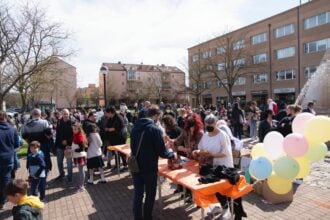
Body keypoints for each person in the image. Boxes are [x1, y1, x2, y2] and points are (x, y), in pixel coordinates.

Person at [130, 105, 174, 220]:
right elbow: (162, 152)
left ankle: (137, 217)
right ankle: (147, 217)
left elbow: (132, 146)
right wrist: (172, 154)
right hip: (149, 168)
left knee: (138, 194)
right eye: (159, 117)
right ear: (155, 116)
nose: (158, 119)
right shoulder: (154, 129)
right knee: (150, 194)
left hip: (135, 166)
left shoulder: (135, 127)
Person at [193, 114, 234, 219]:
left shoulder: (222, 135)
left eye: (211, 124)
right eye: (207, 124)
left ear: (216, 124)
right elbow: (201, 147)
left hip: (223, 166)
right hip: (211, 166)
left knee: (221, 189)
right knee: (212, 188)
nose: (209, 126)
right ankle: (218, 206)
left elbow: (226, 153)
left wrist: (211, 155)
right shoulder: (206, 135)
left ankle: (226, 210)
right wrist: (197, 152)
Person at [0, 111, 20, 209]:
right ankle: (2, 201)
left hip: (6, 158)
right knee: (5, 180)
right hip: (8, 158)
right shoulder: (13, 130)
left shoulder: (12, 130)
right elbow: (17, 145)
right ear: (5, 117)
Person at [55, 109, 75, 182]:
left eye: (67, 114)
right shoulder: (59, 122)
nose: (65, 115)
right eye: (64, 114)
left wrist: (67, 141)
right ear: (61, 114)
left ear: (69, 114)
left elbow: (74, 134)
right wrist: (57, 144)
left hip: (69, 146)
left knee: (69, 163)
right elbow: (57, 134)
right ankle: (61, 174)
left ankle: (70, 177)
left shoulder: (72, 122)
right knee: (59, 162)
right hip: (60, 145)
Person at [105, 107, 127, 172]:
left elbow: (116, 128)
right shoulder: (110, 118)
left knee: (121, 152)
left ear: (110, 112)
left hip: (119, 138)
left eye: (107, 113)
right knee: (116, 152)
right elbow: (108, 125)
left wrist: (108, 129)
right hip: (113, 138)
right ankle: (117, 165)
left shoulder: (118, 117)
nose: (106, 114)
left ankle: (125, 165)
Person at [71, 123, 88, 193]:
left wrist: (73, 150)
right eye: (73, 129)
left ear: (79, 129)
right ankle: (81, 184)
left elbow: (82, 148)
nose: (74, 130)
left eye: (75, 129)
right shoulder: (76, 135)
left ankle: (82, 186)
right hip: (77, 155)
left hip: (80, 155)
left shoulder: (80, 136)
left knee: (81, 171)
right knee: (80, 170)